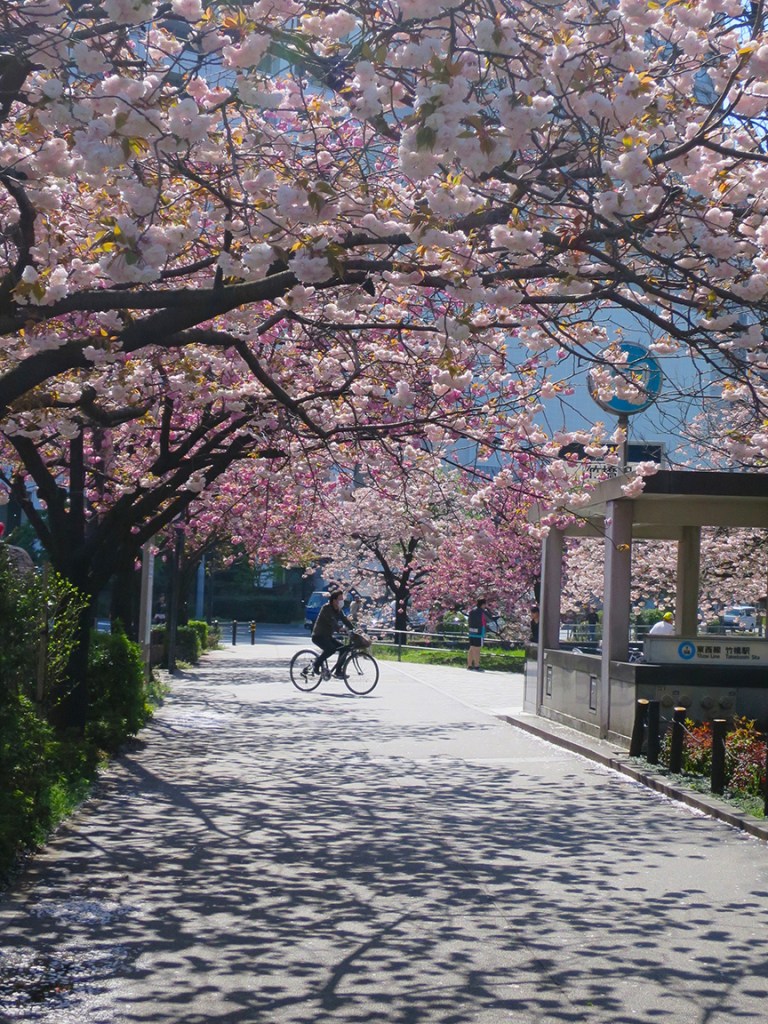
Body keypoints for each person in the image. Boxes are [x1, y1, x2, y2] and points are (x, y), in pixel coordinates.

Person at [312, 589, 354, 677]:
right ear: (334, 600)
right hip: (318, 636)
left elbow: (345, 620)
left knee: (344, 649)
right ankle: (316, 664)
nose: (342, 601)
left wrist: (354, 629)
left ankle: (338, 671)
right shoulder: (326, 608)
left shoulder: (338, 610)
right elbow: (331, 621)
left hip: (327, 636)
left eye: (342, 599)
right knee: (330, 649)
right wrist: (339, 628)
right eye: (340, 599)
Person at [467, 598, 488, 671]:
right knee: (477, 649)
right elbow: (489, 620)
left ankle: (469, 665)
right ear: (483, 604)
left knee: (472, 648)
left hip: (471, 631)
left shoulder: (471, 611)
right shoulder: (483, 612)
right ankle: (477, 666)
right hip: (479, 632)